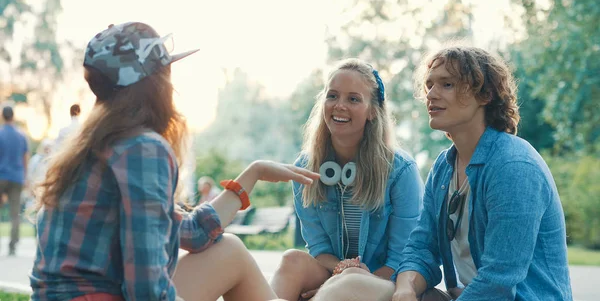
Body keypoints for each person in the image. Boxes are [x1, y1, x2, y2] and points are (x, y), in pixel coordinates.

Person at [29, 22, 319, 301]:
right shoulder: (141, 149)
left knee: (229, 249)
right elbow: (145, 290)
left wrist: (254, 172)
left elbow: (193, 232)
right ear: (155, 83)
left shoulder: (93, 147)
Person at [313, 45, 573, 301]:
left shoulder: (514, 167)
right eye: (429, 85)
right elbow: (421, 249)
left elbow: (498, 282)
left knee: (350, 289)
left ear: (486, 95)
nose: (431, 95)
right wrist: (405, 289)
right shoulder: (444, 167)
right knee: (352, 283)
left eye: (447, 84)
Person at [269, 58, 424, 300]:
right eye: (332, 96)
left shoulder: (401, 171)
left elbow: (403, 258)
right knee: (292, 260)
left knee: (350, 282)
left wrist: (351, 278)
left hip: (384, 278)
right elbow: (318, 249)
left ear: (373, 110)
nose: (339, 105)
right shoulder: (304, 169)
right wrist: (342, 272)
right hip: (337, 273)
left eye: (353, 99)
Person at [0, 105, 29, 256]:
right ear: (13, 116)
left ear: (2, 116)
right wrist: (25, 177)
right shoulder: (21, 135)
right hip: (17, 177)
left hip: (1, 176)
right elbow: (25, 158)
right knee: (14, 212)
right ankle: (12, 245)